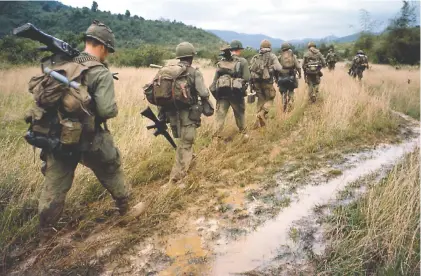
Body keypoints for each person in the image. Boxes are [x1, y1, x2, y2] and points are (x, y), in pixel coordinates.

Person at [36, 20, 129, 241]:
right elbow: (107, 111)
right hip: (89, 137)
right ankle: (126, 209)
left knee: (55, 184)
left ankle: (45, 234)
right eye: (108, 51)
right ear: (103, 47)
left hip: (59, 136)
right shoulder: (100, 72)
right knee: (111, 167)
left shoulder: (63, 65)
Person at [160, 42, 211, 184]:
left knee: (182, 143)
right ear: (191, 57)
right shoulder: (194, 72)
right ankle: (177, 179)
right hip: (188, 114)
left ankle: (186, 165)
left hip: (172, 114)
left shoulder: (169, 72)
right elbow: (203, 92)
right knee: (186, 144)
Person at [210, 40, 250, 139]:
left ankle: (216, 139)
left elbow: (214, 83)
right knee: (240, 116)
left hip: (222, 94)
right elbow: (247, 78)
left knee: (219, 118)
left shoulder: (221, 62)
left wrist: (217, 96)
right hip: (236, 94)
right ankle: (244, 135)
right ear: (239, 50)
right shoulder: (243, 61)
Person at [249, 39, 282, 128]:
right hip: (267, 83)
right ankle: (262, 113)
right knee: (271, 98)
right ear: (270, 47)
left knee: (260, 101)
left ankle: (257, 123)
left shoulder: (256, 57)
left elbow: (250, 69)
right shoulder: (272, 56)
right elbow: (279, 68)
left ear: (261, 47)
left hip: (256, 83)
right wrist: (272, 67)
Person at [277, 42, 302, 112]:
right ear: (289, 48)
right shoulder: (293, 56)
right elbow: (298, 67)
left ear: (282, 49)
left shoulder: (279, 57)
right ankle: (290, 103)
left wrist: (276, 78)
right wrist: (299, 74)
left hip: (281, 78)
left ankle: (284, 105)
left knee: (283, 92)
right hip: (291, 77)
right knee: (291, 91)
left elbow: (275, 69)